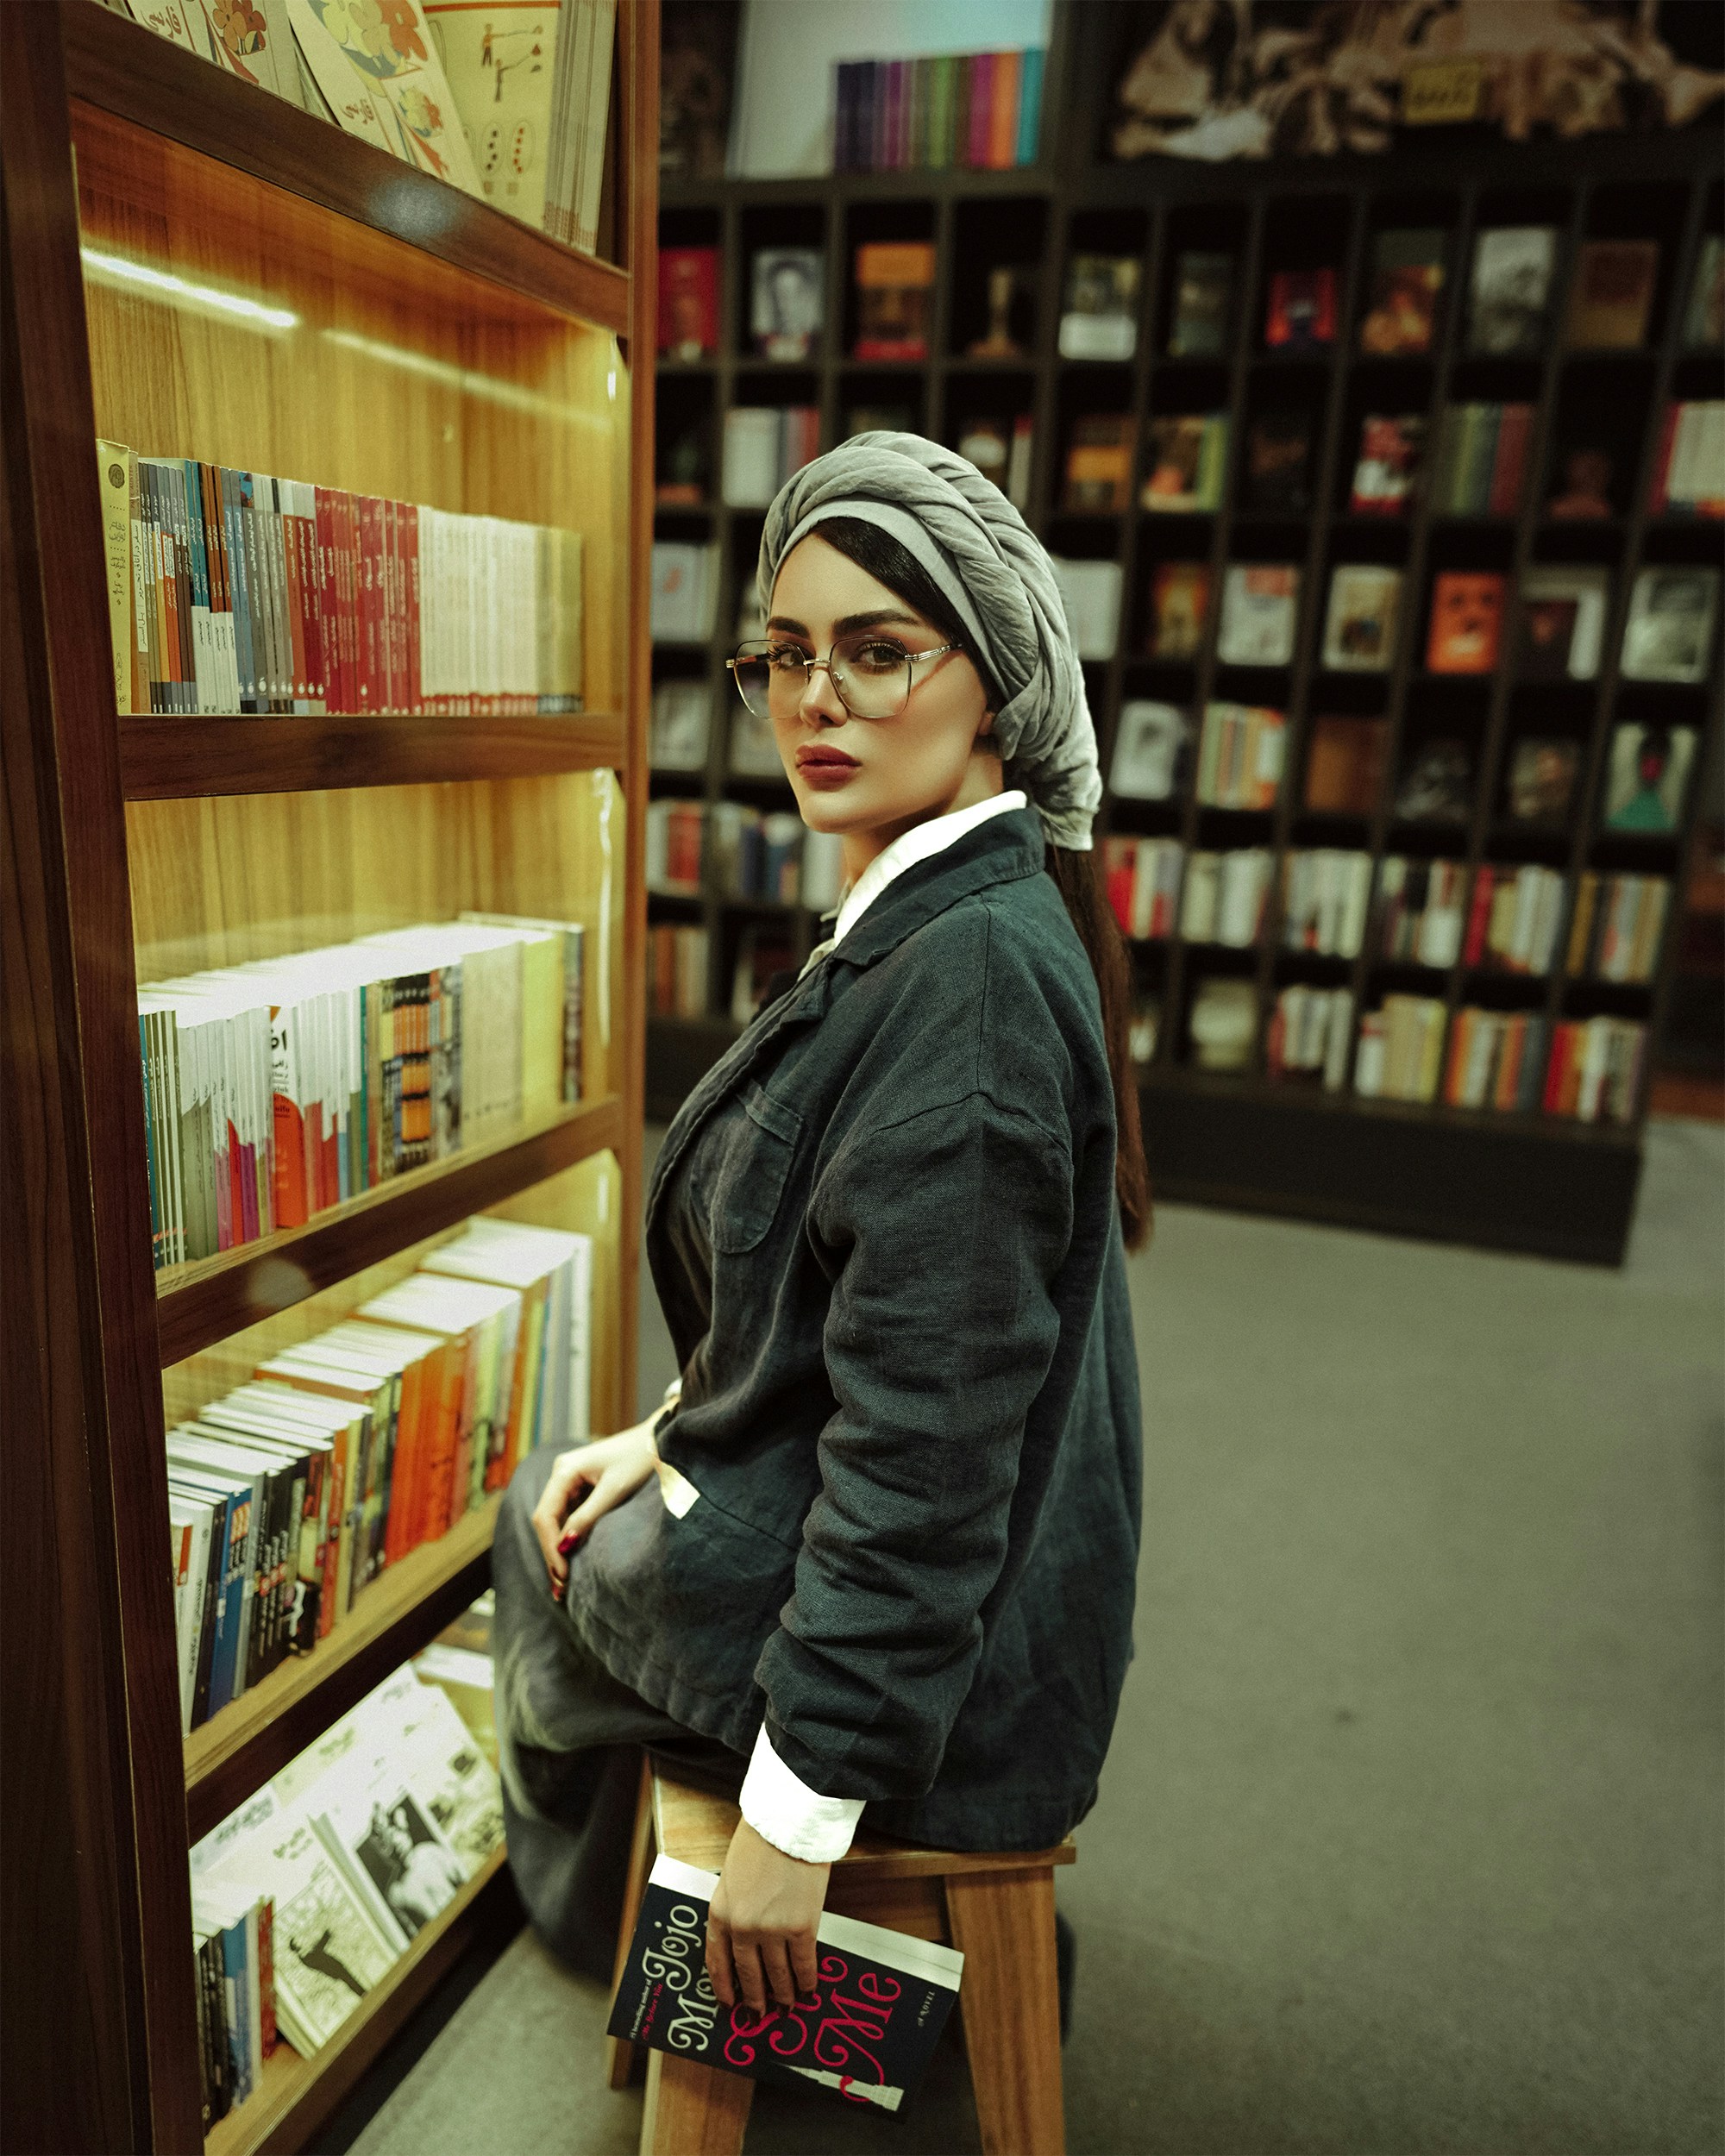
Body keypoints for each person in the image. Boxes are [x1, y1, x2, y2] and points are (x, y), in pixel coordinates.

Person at [492, 432, 1146, 2028]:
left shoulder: (968, 987)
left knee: (527, 1529)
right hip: (917, 1579)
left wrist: (795, 1818)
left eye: (875, 651)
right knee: (581, 1487)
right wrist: (667, 1433)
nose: (815, 699)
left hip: (939, 1671)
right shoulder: (940, 914)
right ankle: (712, 1949)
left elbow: (926, 1458)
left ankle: (643, 1954)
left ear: (988, 682)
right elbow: (841, 1298)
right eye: (787, 654)